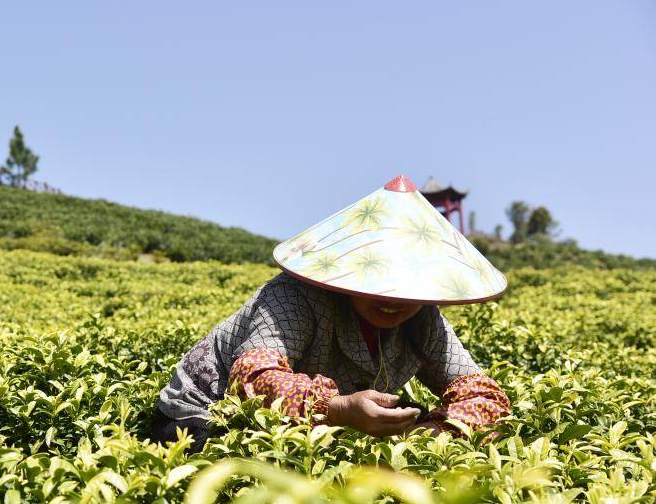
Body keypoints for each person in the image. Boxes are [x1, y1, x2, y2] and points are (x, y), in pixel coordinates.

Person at [153, 174, 511, 451]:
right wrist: (335, 409)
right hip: (205, 414)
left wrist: (432, 433)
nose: (393, 301)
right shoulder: (294, 297)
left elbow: (482, 395)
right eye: (378, 280)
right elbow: (253, 378)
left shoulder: (424, 319)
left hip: (312, 423)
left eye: (407, 289)